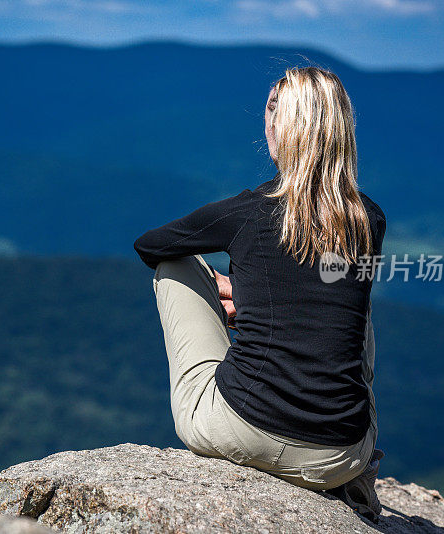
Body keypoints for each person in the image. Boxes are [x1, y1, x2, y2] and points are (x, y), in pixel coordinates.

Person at [133, 66, 387, 522]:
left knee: (175, 264)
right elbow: (316, 299)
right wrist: (251, 297)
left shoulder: (247, 212)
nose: (265, 120)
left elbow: (151, 246)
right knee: (353, 292)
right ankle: (359, 479)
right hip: (339, 457)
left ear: (281, 128)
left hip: (239, 430)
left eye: (272, 110)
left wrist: (224, 291)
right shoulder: (369, 220)